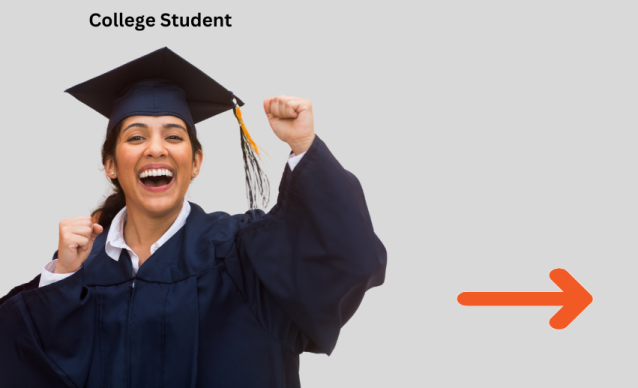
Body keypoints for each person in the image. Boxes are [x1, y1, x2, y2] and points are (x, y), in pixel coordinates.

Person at [0, 47, 386, 387]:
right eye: (136, 137)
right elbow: (21, 365)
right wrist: (60, 281)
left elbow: (348, 257)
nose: (156, 148)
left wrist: (303, 147)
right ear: (110, 165)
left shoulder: (245, 256)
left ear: (196, 162)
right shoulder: (82, 271)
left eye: (173, 136)